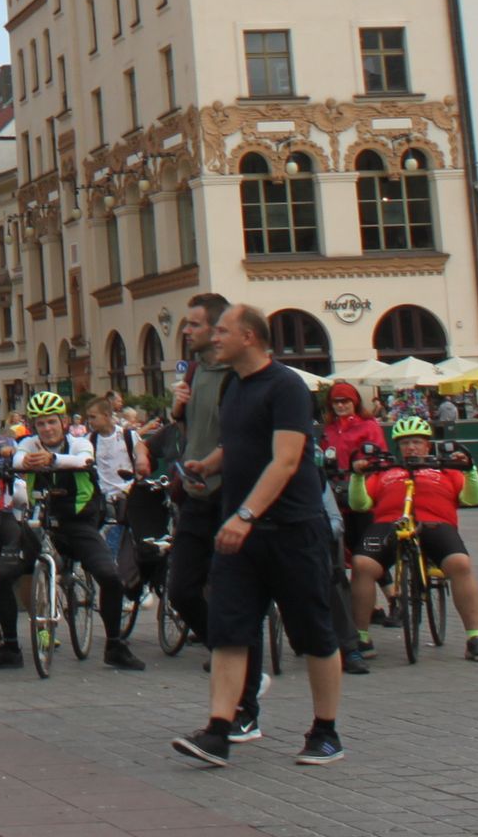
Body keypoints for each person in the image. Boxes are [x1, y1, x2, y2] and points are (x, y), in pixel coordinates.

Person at [172, 304, 347, 768]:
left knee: (313, 634)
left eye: (223, 331)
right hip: (240, 532)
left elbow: (286, 459)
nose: (214, 338)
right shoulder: (233, 384)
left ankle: (326, 732)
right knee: (229, 632)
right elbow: (240, 443)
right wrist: (209, 464)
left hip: (291, 529)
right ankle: (218, 730)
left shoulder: (287, 385)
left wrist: (246, 514)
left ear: (249, 337)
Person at [0, 393, 142, 672]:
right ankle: (10, 648)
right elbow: (16, 458)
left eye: (52, 422)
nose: (47, 429)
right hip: (39, 524)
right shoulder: (28, 443)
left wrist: (53, 459)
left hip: (77, 524)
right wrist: (22, 461)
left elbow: (83, 461)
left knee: (110, 576)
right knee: (1, 575)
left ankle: (115, 646)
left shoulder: (79, 443)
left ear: (63, 422)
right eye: (41, 424)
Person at [164, 293, 265, 742]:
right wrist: (177, 411)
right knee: (182, 590)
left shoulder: (238, 376)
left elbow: (243, 439)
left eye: (197, 325)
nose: (188, 331)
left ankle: (244, 704)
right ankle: (234, 664)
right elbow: (191, 429)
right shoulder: (195, 369)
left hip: (229, 496)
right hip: (195, 493)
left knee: (236, 602)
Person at [346, 415, 478, 662]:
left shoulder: (444, 469)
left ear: (427, 445)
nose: (411, 447)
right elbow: (359, 504)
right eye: (405, 443)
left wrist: (470, 469)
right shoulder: (387, 471)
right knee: (362, 565)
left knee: (460, 564)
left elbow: (472, 498)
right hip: (389, 524)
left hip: (435, 524)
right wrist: (358, 476)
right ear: (398, 447)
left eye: (416, 442)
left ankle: (475, 638)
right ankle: (361, 636)